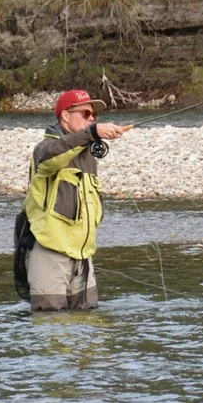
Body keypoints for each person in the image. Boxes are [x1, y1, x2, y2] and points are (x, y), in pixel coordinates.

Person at [18, 88, 130, 312]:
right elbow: (54, 156)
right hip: (50, 251)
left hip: (82, 256)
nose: (91, 119)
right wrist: (93, 132)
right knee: (50, 324)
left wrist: (90, 135)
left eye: (93, 117)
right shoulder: (46, 149)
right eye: (86, 114)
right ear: (65, 115)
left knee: (88, 325)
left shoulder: (86, 155)